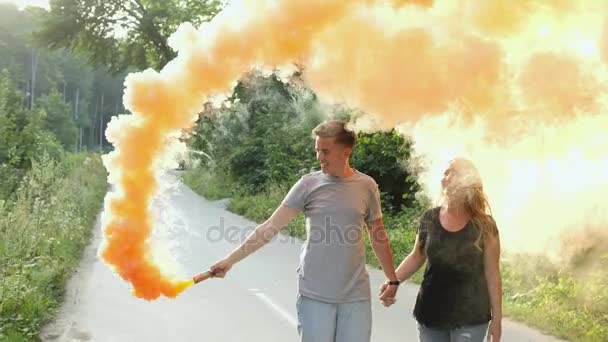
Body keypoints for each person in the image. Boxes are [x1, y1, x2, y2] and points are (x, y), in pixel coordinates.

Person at [209, 120, 400, 342]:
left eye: (326, 151)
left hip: (355, 295)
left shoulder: (367, 186)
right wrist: (230, 260)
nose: (320, 157)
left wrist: (392, 279)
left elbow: (378, 235)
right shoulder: (308, 185)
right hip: (314, 294)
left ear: (346, 152)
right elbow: (270, 227)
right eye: (317, 150)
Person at [380, 158, 502, 342]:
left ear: (469, 181)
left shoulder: (485, 225)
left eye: (455, 173)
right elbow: (417, 256)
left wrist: (497, 319)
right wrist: (393, 281)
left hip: (471, 315)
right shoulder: (430, 218)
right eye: (446, 172)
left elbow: (492, 273)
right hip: (431, 312)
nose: (447, 177)